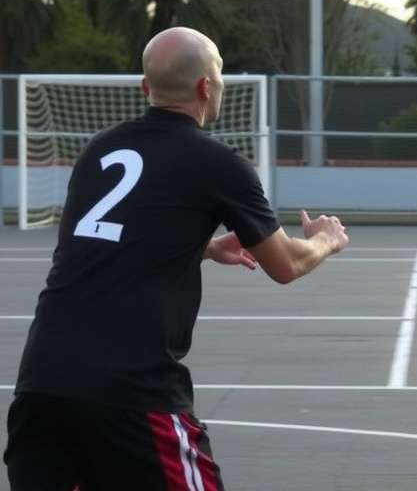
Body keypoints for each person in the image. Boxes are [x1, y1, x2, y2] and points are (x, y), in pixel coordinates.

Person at [4, 27, 349, 490]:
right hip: (130, 394)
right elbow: (285, 263)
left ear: (146, 88)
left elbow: (99, 241)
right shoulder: (217, 161)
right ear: (207, 86)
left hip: (41, 386)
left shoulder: (99, 151)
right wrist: (326, 238)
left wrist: (200, 246)